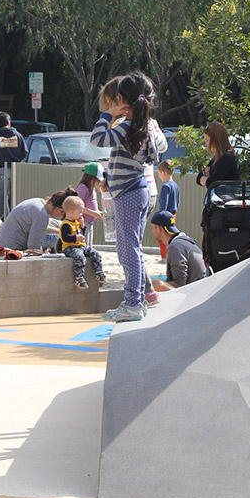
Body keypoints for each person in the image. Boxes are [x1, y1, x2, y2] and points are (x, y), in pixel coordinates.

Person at [91, 72, 167, 322]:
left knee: (128, 250)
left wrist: (109, 115)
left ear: (121, 100)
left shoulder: (125, 126)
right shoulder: (146, 127)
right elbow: (160, 148)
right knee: (129, 248)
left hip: (128, 194)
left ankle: (134, 302)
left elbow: (98, 139)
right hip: (138, 191)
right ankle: (137, 299)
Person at [0, 189, 76, 253]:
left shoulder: (37, 203)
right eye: (64, 214)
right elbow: (34, 248)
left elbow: (39, 228)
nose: (62, 216)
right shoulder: (41, 215)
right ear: (60, 209)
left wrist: (59, 231)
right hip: (8, 252)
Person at [58, 194, 106, 289]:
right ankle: (78, 278)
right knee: (80, 257)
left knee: (95, 253)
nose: (81, 214)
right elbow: (65, 238)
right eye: (80, 212)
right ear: (71, 212)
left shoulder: (76, 222)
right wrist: (75, 238)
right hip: (70, 248)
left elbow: (82, 234)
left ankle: (99, 272)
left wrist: (83, 226)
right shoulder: (66, 224)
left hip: (80, 246)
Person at [0, 112, 26, 217]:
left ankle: (6, 219)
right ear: (9, 122)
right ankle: (17, 218)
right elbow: (24, 152)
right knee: (16, 194)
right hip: (17, 169)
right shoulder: (17, 135)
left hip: (2, 168)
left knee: (2, 196)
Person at [150, 210, 205, 287]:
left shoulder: (175, 247)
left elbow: (180, 283)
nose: (152, 232)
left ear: (159, 229)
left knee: (156, 284)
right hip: (201, 286)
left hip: (194, 291)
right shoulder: (183, 241)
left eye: (153, 228)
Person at [196, 122, 240, 190]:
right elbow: (198, 178)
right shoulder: (216, 158)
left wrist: (206, 179)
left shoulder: (229, 158)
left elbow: (212, 182)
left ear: (215, 141)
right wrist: (207, 179)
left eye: (207, 140)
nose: (206, 143)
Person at [156, 160, 179, 258]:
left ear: (163, 172)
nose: (159, 176)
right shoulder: (175, 185)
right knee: (170, 235)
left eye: (159, 173)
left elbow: (163, 204)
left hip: (165, 215)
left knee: (162, 237)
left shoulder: (165, 187)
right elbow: (177, 202)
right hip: (173, 214)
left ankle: (165, 257)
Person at [76, 162, 103, 247]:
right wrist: (93, 213)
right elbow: (78, 206)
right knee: (84, 244)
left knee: (89, 244)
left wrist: (98, 212)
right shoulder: (83, 188)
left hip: (90, 222)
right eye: (97, 180)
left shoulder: (91, 189)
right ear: (90, 178)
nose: (98, 183)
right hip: (83, 222)